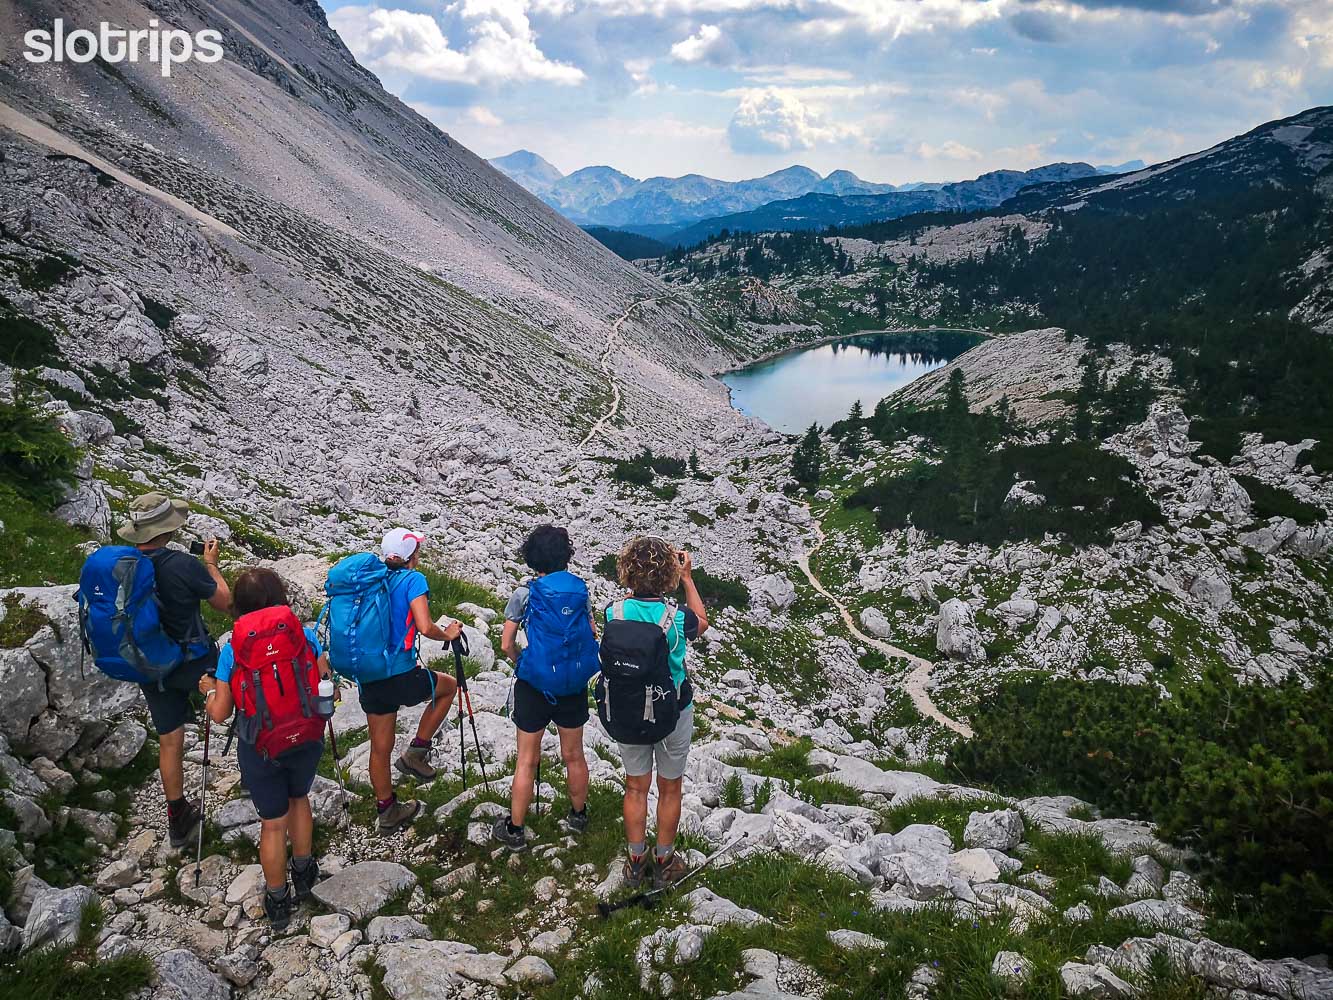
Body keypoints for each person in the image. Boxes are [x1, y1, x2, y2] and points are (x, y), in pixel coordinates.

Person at [198, 569, 327, 931]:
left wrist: (208, 690)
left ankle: (277, 898)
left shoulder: (233, 648)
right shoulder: (304, 635)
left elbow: (222, 713)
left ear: (238, 604)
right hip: (305, 736)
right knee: (300, 798)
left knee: (273, 823)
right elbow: (322, 679)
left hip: (261, 744)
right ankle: (303, 871)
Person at [115, 492, 232, 849]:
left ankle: (177, 816)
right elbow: (226, 603)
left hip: (149, 663)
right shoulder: (183, 564)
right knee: (225, 709)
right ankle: (267, 781)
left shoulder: (123, 564)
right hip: (193, 662)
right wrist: (211, 564)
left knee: (169, 738)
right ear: (168, 529)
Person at [609, 536, 708, 889]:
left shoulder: (613, 612)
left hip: (627, 711)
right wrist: (688, 579)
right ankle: (665, 859)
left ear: (628, 572)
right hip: (672, 712)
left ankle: (635, 860)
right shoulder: (677, 619)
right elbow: (702, 620)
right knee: (669, 789)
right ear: (668, 572)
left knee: (635, 787)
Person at [492, 526, 598, 851]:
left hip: (535, 683)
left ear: (533, 556)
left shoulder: (525, 593)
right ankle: (578, 815)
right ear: (565, 555)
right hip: (572, 684)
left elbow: (506, 643)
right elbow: (592, 633)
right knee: (574, 754)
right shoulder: (580, 591)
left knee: (527, 759)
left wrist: (521, 660)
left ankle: (515, 829)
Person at [361, 529, 463, 835]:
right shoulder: (413, 580)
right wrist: (448, 634)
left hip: (369, 673)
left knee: (380, 747)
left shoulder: (370, 578)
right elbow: (423, 625)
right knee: (447, 687)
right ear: (410, 556)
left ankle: (387, 811)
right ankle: (416, 752)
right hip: (399, 671)